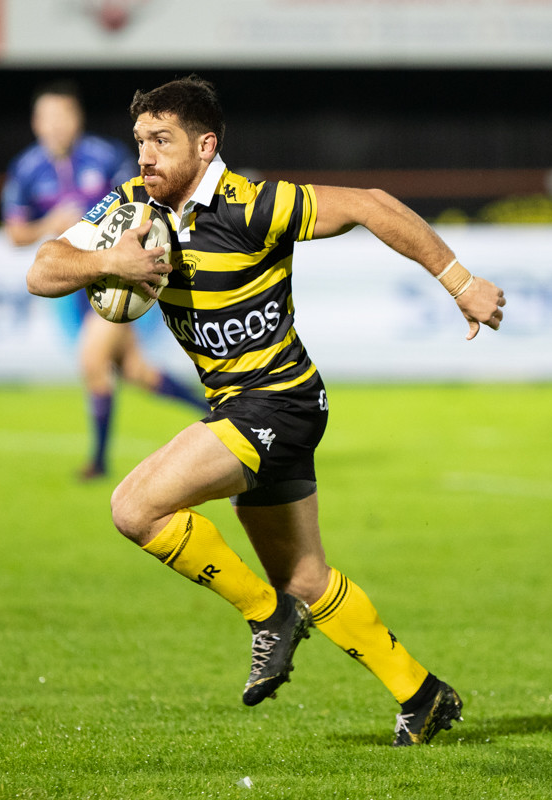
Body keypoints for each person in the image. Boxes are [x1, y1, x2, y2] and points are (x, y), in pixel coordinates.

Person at [26, 75, 506, 746]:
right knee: (306, 577)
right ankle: (421, 694)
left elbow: (371, 205)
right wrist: (111, 260)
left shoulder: (252, 205)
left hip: (278, 402)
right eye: (139, 141)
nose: (145, 156)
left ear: (205, 145)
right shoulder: (133, 207)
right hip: (248, 406)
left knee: (135, 508)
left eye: (161, 141)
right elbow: (42, 269)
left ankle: (268, 616)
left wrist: (461, 281)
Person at [3, 79, 208, 480]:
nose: (56, 124)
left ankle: (97, 463)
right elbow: (14, 234)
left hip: (118, 279)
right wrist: (48, 224)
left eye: (63, 115)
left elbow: (145, 203)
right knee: (137, 372)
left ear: (77, 118)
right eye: (48, 116)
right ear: (36, 122)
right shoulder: (26, 169)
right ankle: (218, 412)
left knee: (93, 361)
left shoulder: (107, 156)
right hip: (75, 286)